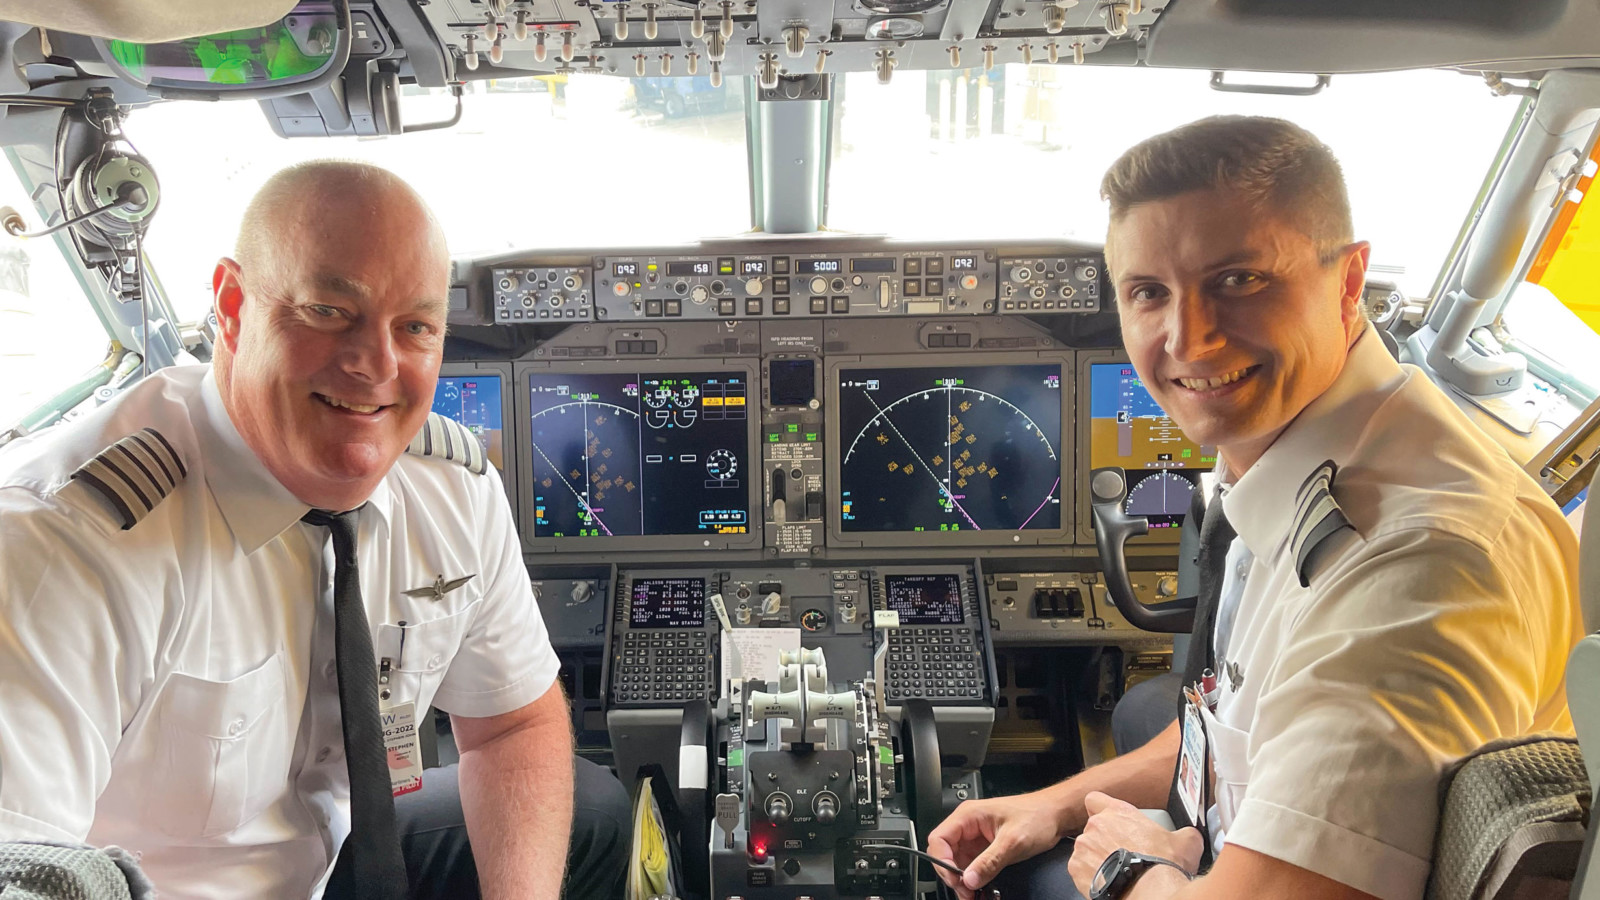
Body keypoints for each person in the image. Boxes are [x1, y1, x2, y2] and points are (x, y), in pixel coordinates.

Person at [928, 116, 1581, 900]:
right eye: (1149, 293)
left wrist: (1127, 865)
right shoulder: (1304, 450)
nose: (1191, 340)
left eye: (1238, 280)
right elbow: (1234, 711)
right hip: (1254, 827)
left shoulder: (1423, 572)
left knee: (1026, 885)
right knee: (1141, 714)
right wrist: (1053, 802)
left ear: (1347, 283)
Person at [0, 161, 630, 899]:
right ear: (232, 306)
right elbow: (24, 861)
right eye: (331, 311)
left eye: (415, 327)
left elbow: (514, 728)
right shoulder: (65, 544)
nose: (377, 364)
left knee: (590, 812)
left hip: (328, 865)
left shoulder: (451, 488)